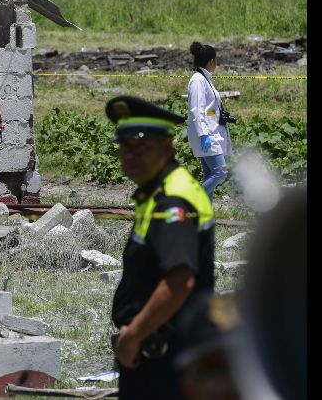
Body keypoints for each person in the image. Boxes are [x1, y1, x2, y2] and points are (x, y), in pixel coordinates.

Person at [106, 94, 215, 400]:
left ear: (167, 147)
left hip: (166, 355)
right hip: (161, 347)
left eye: (143, 146)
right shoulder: (158, 190)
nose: (131, 155)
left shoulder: (172, 200)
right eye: (125, 146)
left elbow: (179, 282)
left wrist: (133, 335)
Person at [186, 42, 233, 203]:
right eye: (216, 61)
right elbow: (196, 110)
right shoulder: (198, 80)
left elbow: (208, 109)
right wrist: (203, 134)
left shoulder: (204, 78)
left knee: (209, 175)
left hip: (210, 132)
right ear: (211, 61)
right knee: (221, 172)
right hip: (207, 135)